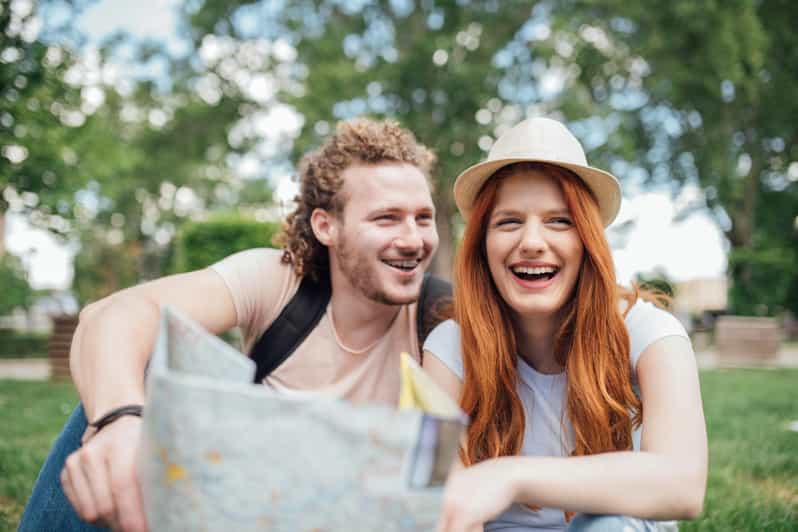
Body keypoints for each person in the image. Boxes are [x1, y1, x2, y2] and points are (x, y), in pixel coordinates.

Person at [20, 118, 446, 532]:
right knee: (139, 377)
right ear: (325, 226)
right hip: (240, 503)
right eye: (386, 218)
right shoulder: (279, 283)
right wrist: (118, 421)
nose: (413, 240)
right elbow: (111, 316)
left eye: (423, 218)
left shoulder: (442, 315)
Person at [422, 117, 708, 532]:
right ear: (482, 245)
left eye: (560, 221)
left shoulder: (652, 334)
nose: (533, 242)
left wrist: (510, 476)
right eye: (509, 222)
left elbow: (683, 486)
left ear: (587, 240)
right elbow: (439, 501)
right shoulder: (448, 349)